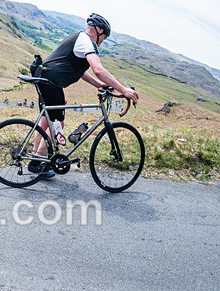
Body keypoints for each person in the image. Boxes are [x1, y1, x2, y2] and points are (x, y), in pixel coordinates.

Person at [29, 13, 139, 177]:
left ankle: (36, 158)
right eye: (104, 37)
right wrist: (124, 90)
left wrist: (99, 84)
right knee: (58, 124)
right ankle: (38, 162)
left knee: (47, 122)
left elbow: (77, 69)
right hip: (51, 82)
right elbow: (98, 69)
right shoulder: (87, 42)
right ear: (99, 30)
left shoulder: (78, 37)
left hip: (44, 77)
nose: (102, 42)